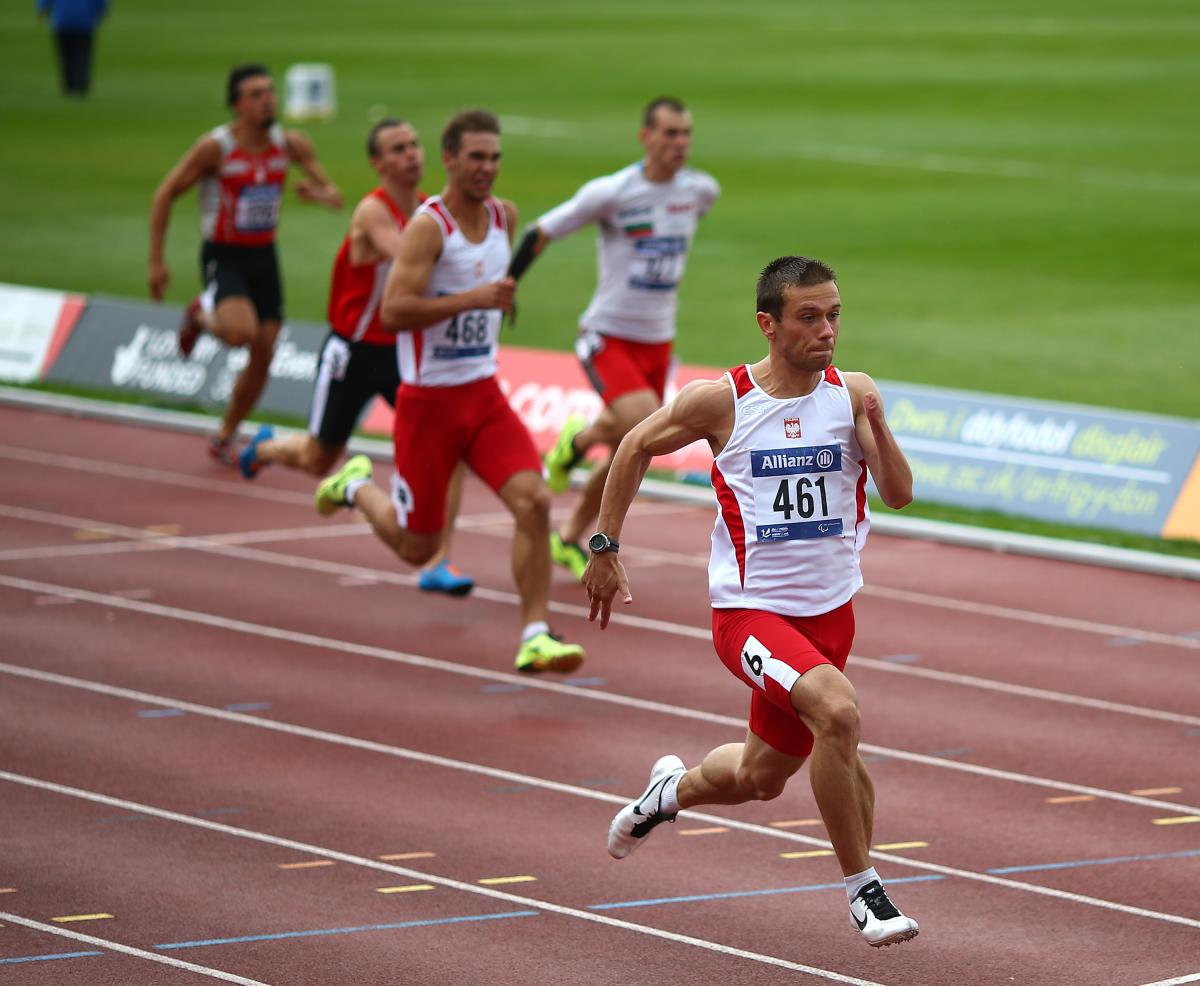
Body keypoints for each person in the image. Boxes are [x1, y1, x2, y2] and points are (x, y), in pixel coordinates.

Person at [583, 256, 920, 949]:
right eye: (808, 316)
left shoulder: (852, 394)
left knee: (759, 777)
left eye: (833, 315)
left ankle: (666, 794)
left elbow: (898, 493)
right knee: (839, 712)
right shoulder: (725, 401)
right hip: (751, 616)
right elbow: (635, 443)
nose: (826, 329)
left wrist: (879, 425)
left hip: (832, 614)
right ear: (768, 324)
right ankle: (865, 892)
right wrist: (604, 543)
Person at [314, 109, 585, 673]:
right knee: (417, 547)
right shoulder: (428, 226)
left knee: (534, 502)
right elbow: (393, 311)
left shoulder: (504, 216)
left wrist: (496, 300)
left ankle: (536, 633)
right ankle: (356, 484)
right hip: (428, 403)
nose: (487, 168)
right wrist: (475, 300)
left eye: (495, 157)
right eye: (477, 157)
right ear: (451, 160)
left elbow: (495, 288)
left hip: (483, 396)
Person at [237, 117, 473, 596]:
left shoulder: (430, 211)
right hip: (353, 352)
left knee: (452, 449)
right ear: (378, 162)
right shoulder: (374, 211)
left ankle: (438, 560)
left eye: (414, 144)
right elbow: (409, 258)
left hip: (404, 354)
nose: (412, 154)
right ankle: (264, 446)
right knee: (317, 458)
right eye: (398, 148)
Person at [507, 97, 719, 580]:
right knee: (645, 435)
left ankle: (577, 452)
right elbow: (541, 232)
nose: (680, 143)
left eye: (686, 133)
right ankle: (575, 527)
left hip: (659, 342)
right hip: (609, 336)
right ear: (645, 137)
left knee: (630, 438)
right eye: (669, 133)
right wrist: (508, 284)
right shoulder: (612, 193)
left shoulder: (701, 191)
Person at [148, 63, 342, 465]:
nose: (267, 99)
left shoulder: (290, 144)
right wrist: (157, 262)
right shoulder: (215, 149)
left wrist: (317, 194)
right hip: (225, 254)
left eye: (270, 91)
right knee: (239, 334)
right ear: (237, 104)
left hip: (264, 255)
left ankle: (226, 432)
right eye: (256, 94)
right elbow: (165, 194)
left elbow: (334, 195)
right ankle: (201, 315)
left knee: (265, 351)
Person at [37, 0, 107, 96]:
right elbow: (100, 3)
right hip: (84, 23)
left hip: (62, 21)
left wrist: (42, 10)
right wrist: (101, 14)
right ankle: (80, 84)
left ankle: (69, 85)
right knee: (82, 55)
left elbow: (45, 2)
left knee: (65, 55)